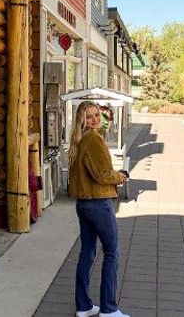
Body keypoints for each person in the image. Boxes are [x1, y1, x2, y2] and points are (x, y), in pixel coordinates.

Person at [69, 101, 130, 317]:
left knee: (87, 253)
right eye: (89, 116)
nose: (94, 119)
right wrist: (121, 177)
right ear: (82, 119)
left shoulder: (78, 140)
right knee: (112, 253)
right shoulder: (92, 139)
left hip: (83, 204)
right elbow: (103, 174)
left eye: (97, 115)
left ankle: (84, 306)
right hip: (98, 203)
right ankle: (109, 310)